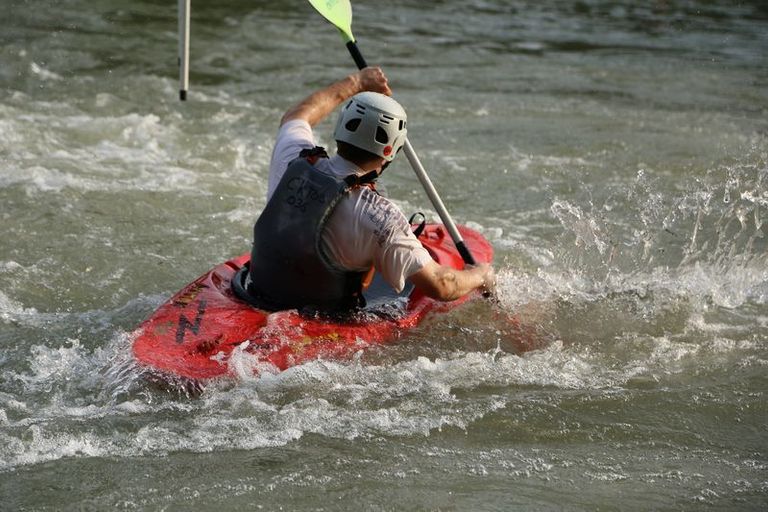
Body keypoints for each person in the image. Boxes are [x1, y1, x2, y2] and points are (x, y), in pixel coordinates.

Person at [245, 67, 493, 312]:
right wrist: (480, 275)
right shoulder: (380, 218)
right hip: (318, 318)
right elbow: (441, 285)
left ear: (340, 128)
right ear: (392, 151)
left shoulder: (294, 157)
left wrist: (357, 82)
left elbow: (298, 114)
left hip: (256, 291)